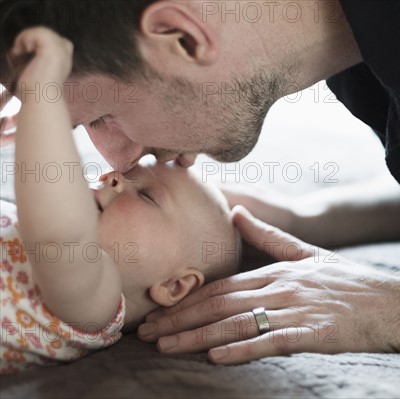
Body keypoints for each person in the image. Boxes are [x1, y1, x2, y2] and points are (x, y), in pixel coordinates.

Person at [0, 0, 400, 388]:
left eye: (101, 116)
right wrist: (313, 217)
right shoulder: (346, 49)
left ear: (181, 37)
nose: (116, 161)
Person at [0, 27, 240, 373]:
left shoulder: (97, 306)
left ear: (173, 285)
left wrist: (45, 95)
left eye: (146, 195)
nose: (111, 175)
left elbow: (59, 231)